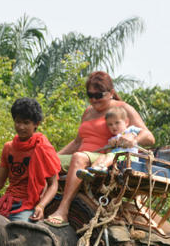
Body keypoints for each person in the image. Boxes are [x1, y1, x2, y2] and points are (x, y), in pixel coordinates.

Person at [45, 71, 155, 226]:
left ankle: (63, 210)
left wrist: (133, 138)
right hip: (81, 153)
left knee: (79, 157)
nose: (94, 99)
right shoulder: (88, 111)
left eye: (98, 95)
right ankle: (36, 205)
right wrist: (53, 156)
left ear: (111, 93)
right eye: (90, 95)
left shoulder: (122, 108)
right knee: (44, 161)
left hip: (104, 156)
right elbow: (77, 142)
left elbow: (149, 136)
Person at [0, 97, 61, 222]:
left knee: (22, 234)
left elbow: (53, 184)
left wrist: (41, 206)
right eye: (18, 122)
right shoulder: (8, 148)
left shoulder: (43, 147)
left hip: (28, 206)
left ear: (36, 124)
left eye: (26, 122)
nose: (21, 127)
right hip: (7, 203)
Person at [76, 105, 142, 181]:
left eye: (117, 123)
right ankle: (91, 171)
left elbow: (141, 133)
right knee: (102, 156)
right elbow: (108, 152)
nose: (114, 126)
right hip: (116, 158)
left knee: (111, 156)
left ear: (126, 122)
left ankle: (102, 167)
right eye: (110, 124)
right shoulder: (112, 139)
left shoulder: (131, 130)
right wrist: (111, 146)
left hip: (129, 158)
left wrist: (132, 136)